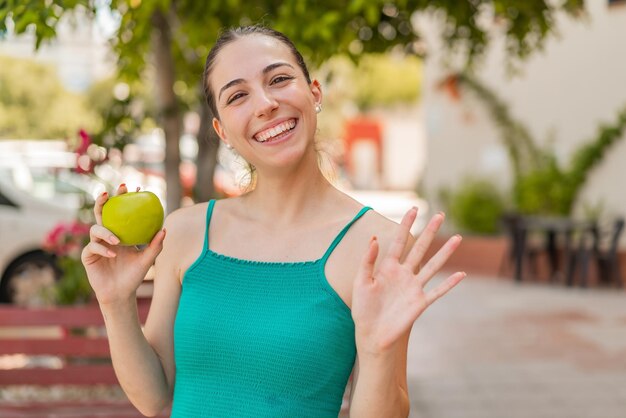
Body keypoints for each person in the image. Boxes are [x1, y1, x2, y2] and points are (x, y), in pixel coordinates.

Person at [81, 25, 465, 418]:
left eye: (279, 79)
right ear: (222, 131)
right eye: (237, 96)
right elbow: (154, 397)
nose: (265, 104)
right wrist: (115, 303)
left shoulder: (376, 245)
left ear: (314, 94)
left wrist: (377, 351)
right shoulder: (186, 232)